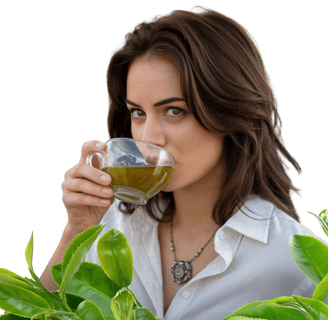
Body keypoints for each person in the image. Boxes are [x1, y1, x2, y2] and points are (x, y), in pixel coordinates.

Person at [40, 6, 328, 319]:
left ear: (230, 112)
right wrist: (78, 228)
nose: (148, 137)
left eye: (174, 111)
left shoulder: (295, 262)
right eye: (138, 113)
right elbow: (38, 311)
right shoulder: (113, 224)